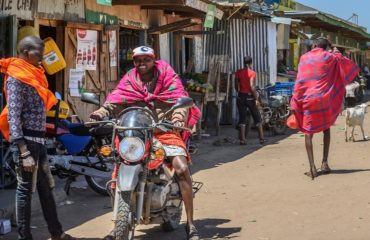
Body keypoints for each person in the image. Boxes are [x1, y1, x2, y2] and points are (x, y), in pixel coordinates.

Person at [90, 46, 200, 240]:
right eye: (138, 60)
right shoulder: (130, 79)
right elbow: (115, 100)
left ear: (153, 60)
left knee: (181, 169)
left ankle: (190, 225)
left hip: (163, 131)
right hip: (136, 134)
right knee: (118, 170)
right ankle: (118, 225)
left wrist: (178, 117)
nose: (142, 63)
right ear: (134, 62)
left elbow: (178, 98)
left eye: (146, 60)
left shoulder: (166, 75)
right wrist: (101, 112)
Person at [0, 36, 74, 240]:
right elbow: (14, 117)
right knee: (25, 190)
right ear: (26, 53)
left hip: (39, 142)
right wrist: (23, 152)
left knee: (46, 189)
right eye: (38, 54)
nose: (42, 58)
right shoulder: (16, 76)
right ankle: (25, 237)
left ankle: (56, 233)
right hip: (26, 144)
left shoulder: (33, 73)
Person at [290, 37, 359, 179]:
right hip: (324, 98)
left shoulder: (304, 58)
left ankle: (312, 168)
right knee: (326, 128)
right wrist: (332, 47)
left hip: (308, 98)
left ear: (314, 45)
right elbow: (341, 58)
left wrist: (295, 100)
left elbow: (300, 80)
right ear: (325, 47)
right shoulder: (330, 57)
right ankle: (325, 163)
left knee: (308, 132)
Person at [235, 56, 266, 145]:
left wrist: (239, 92)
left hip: (241, 97)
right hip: (250, 97)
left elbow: (235, 85)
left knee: (242, 118)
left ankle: (243, 140)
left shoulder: (238, 72)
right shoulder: (252, 73)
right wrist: (256, 99)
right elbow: (252, 86)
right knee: (257, 117)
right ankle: (261, 139)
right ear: (250, 63)